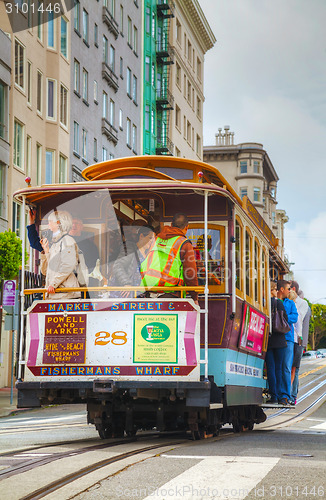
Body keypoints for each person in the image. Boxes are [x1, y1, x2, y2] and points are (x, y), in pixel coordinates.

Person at [140, 213, 199, 305]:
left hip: (149, 292)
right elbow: (190, 272)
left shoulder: (157, 238)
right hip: (171, 294)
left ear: (171, 225)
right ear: (187, 228)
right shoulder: (184, 244)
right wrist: (194, 297)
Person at [40, 211, 81, 300]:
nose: (48, 224)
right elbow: (45, 271)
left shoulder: (68, 241)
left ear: (59, 224)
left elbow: (68, 266)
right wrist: (46, 252)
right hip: (56, 295)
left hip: (66, 295)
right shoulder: (56, 243)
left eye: (51, 221)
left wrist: (53, 284)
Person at [112, 225, 155, 297]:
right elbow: (118, 265)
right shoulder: (130, 249)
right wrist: (126, 283)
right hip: (129, 294)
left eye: (153, 239)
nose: (152, 241)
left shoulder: (150, 253)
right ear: (141, 236)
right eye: (150, 238)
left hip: (142, 294)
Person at [265, 282, 288, 404]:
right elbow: (286, 319)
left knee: (271, 369)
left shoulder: (264, 304)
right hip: (280, 341)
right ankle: (280, 396)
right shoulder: (279, 303)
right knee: (279, 369)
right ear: (274, 290)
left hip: (268, 341)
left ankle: (273, 396)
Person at [277, 279, 298, 404]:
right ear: (282, 289)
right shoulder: (275, 301)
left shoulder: (290, 303)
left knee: (286, 367)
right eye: (288, 288)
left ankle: (286, 395)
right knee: (277, 367)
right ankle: (278, 394)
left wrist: (282, 318)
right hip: (276, 338)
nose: (290, 291)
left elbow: (294, 317)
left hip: (288, 339)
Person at [289, 282, 309, 404]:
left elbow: (298, 318)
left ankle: (292, 396)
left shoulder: (303, 303)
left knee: (294, 369)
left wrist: (293, 303)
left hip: (299, 339)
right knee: (287, 368)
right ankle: (287, 394)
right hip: (289, 338)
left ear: (293, 289)